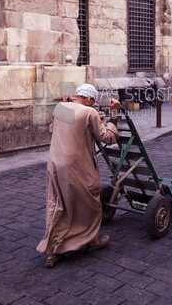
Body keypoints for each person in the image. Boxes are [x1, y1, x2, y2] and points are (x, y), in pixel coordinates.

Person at [36, 83, 120, 268]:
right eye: (93, 101)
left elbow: (64, 124)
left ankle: (52, 252)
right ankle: (92, 241)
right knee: (89, 200)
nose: (93, 104)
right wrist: (114, 114)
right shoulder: (88, 112)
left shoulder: (61, 108)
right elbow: (107, 137)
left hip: (56, 163)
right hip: (76, 165)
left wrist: (67, 103)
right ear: (89, 99)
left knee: (58, 204)